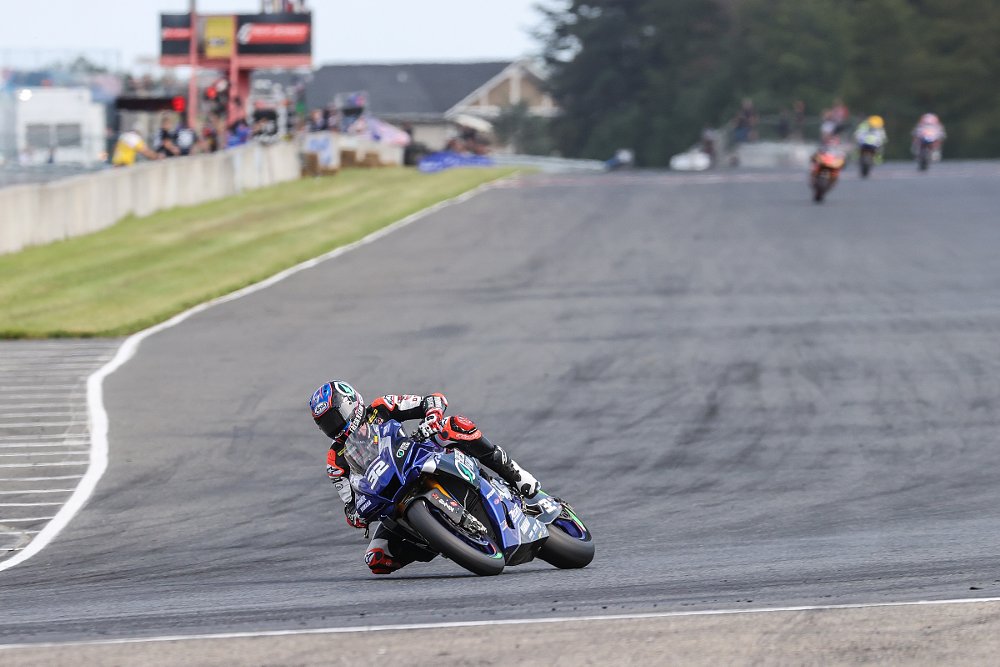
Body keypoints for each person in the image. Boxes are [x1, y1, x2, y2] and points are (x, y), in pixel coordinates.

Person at [310, 381, 541, 575]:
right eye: (324, 423)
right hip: (388, 496)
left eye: (333, 417)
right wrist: (355, 515)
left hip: (416, 455)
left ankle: (516, 474)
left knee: (454, 426)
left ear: (350, 404)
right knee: (377, 558)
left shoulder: (381, 407)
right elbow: (349, 501)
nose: (332, 426)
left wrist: (431, 417)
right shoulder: (335, 459)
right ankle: (441, 541)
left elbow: (432, 401)